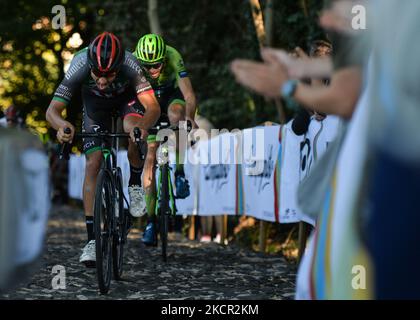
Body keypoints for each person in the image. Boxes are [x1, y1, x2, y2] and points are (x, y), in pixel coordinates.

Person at [45, 32, 161, 267]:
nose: (102, 80)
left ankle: (135, 183)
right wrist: (62, 126)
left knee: (133, 129)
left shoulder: (131, 64)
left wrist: (142, 126)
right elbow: (52, 112)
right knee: (93, 162)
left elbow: (153, 108)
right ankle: (91, 242)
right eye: (97, 74)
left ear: (119, 67)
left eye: (109, 75)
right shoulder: (79, 63)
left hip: (127, 100)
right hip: (95, 105)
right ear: (90, 66)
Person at [132, 33, 198, 246]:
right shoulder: (132, 61)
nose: (152, 70)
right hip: (148, 103)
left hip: (170, 97)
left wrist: (190, 118)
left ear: (164, 57)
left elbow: (188, 94)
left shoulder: (173, 55)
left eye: (157, 65)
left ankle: (179, 173)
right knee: (150, 158)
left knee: (177, 115)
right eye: (147, 66)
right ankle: (151, 222)